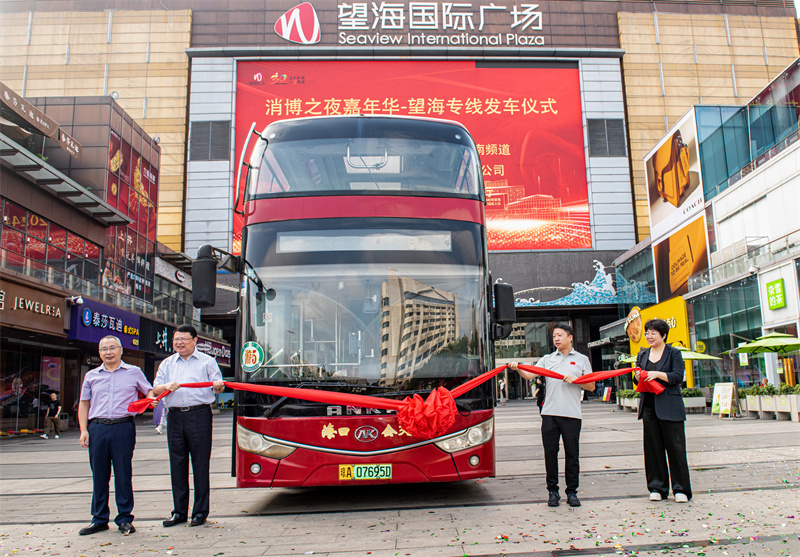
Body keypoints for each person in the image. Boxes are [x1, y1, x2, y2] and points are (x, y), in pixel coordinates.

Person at [509, 323, 595, 507]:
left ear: (570, 337)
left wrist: (577, 381)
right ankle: (553, 492)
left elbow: (592, 386)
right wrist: (517, 368)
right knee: (550, 454)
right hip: (549, 413)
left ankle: (572, 492)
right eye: (554, 336)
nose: (556, 338)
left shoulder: (581, 360)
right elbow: (528, 376)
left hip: (572, 414)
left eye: (560, 335)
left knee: (572, 454)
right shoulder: (547, 359)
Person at [77, 335, 155, 536]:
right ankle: (99, 519)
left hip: (123, 427)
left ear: (121, 350)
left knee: (123, 474)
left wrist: (151, 401)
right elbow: (84, 403)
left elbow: (149, 391)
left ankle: (124, 518)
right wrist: (84, 430)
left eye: (112, 348)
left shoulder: (133, 372)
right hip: (98, 428)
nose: (108, 352)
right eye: (104, 349)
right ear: (99, 352)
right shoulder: (92, 375)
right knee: (99, 476)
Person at [153, 325, 225, 528]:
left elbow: (217, 384)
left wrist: (218, 386)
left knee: (200, 464)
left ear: (195, 340)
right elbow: (155, 387)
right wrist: (166, 386)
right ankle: (179, 512)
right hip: (175, 416)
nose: (179, 343)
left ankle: (200, 512)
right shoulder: (167, 364)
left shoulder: (207, 362)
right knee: (177, 464)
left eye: (184, 339)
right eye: (176, 339)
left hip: (199, 415)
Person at [633, 318, 692, 503]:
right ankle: (657, 487)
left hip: (670, 407)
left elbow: (677, 377)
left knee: (676, 448)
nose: (649, 336)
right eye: (647, 333)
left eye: (653, 333)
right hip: (649, 407)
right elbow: (638, 382)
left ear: (663, 335)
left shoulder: (673, 353)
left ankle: (681, 489)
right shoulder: (642, 355)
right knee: (653, 449)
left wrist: (657, 374)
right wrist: (636, 377)